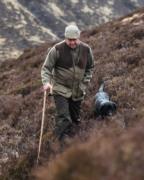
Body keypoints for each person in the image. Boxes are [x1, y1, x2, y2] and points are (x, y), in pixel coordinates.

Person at [41, 24, 94, 140]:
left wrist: (84, 82)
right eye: (69, 40)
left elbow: (90, 68)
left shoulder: (86, 50)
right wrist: (46, 82)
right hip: (60, 89)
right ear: (65, 38)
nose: (72, 42)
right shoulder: (56, 50)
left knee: (75, 120)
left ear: (78, 38)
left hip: (78, 91)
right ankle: (54, 142)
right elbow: (46, 68)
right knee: (64, 118)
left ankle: (71, 143)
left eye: (74, 40)